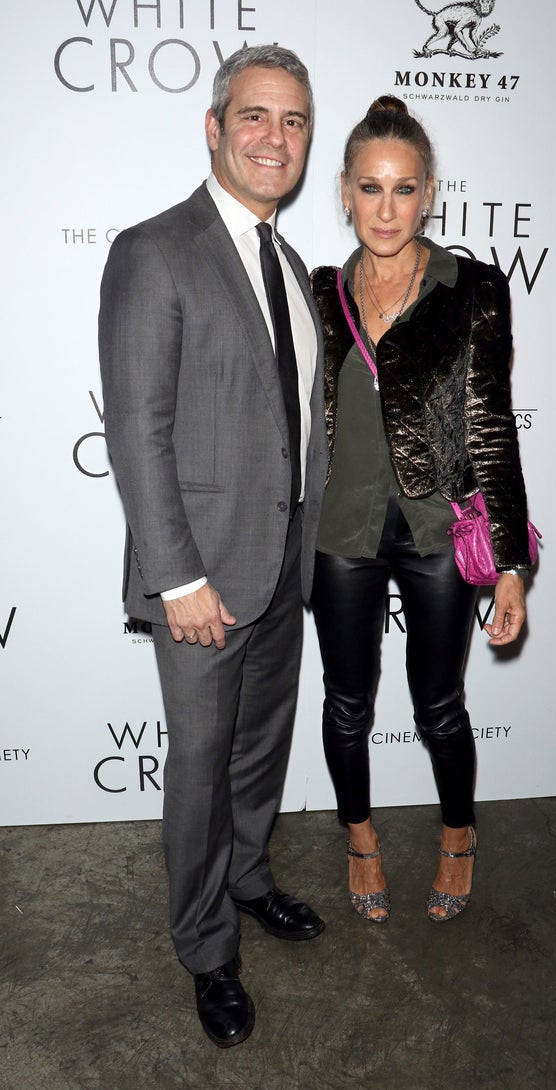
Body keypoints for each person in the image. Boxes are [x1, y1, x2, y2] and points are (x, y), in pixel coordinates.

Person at [99, 45, 328, 1048]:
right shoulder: (157, 249)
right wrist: (177, 573)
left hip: (284, 566)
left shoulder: (286, 262)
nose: (275, 138)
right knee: (198, 765)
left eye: (294, 122)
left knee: (257, 747)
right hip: (203, 576)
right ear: (214, 126)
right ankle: (204, 948)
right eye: (256, 117)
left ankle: (246, 879)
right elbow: (137, 429)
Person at [310, 96, 532, 927]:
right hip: (343, 530)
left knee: (439, 704)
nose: (387, 208)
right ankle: (359, 838)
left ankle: (457, 834)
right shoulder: (320, 293)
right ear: (344, 191)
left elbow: (491, 425)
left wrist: (511, 561)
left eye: (404, 190)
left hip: (438, 530)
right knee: (346, 703)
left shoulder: (471, 288)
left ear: (429, 192)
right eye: (370, 188)